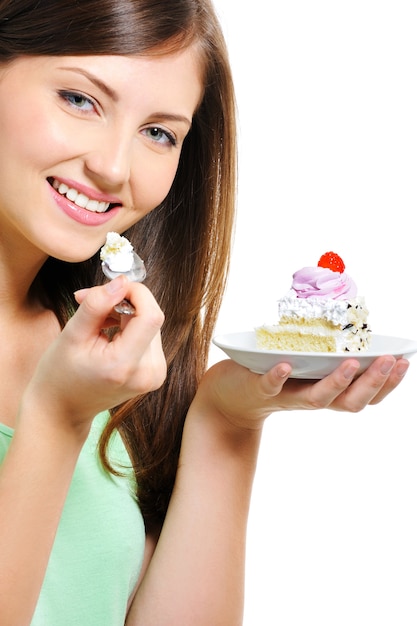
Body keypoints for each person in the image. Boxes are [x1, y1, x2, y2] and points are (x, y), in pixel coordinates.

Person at [0, 1, 409, 624]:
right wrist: (56, 420)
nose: (114, 167)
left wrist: (227, 421)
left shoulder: (106, 358)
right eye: (80, 100)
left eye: (159, 133)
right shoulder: (82, 384)